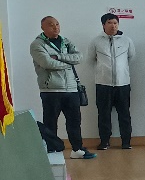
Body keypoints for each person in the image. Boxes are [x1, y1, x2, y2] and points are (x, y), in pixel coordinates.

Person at [30, 16, 94, 159]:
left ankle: (77, 149)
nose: (55, 27)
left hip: (71, 88)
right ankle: (52, 149)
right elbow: (47, 63)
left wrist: (58, 57)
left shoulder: (66, 41)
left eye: (57, 24)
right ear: (42, 28)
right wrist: (68, 63)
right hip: (51, 90)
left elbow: (79, 57)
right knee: (50, 122)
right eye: (51, 25)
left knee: (75, 121)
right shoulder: (37, 44)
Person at [92, 12, 136, 150]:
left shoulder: (126, 40)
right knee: (103, 114)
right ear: (103, 25)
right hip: (103, 83)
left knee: (124, 114)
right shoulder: (96, 41)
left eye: (115, 23)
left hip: (123, 83)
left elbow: (131, 57)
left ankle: (126, 141)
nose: (113, 26)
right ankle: (104, 141)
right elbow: (90, 59)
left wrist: (121, 71)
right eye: (110, 23)